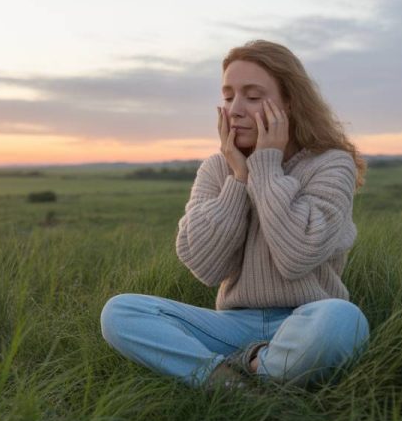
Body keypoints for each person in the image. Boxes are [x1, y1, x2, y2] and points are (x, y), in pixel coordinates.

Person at [101, 40, 370, 389]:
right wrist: (239, 179)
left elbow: (297, 256)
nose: (236, 109)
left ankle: (257, 367)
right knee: (120, 312)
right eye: (228, 97)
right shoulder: (217, 169)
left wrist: (266, 166)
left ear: (289, 102)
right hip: (231, 325)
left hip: (307, 320)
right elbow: (205, 266)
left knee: (344, 319)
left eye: (253, 97)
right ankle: (227, 383)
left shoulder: (330, 163)